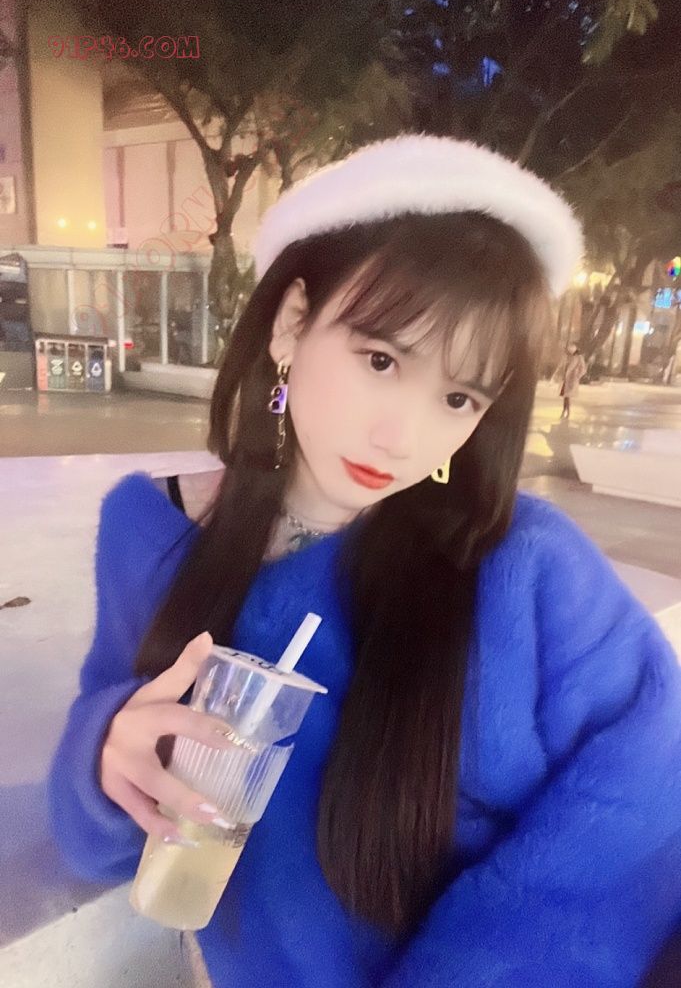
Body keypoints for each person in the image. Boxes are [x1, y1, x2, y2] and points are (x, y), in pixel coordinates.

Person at [48, 136, 681, 988]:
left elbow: (645, 803)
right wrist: (106, 756)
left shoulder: (525, 566)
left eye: (457, 397)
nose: (402, 437)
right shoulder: (150, 531)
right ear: (291, 323)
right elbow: (103, 816)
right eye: (381, 360)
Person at [559, 341, 587, 419]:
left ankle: (567, 412)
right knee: (565, 396)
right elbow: (563, 367)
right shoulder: (567, 357)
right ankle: (564, 411)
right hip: (566, 379)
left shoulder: (579, 357)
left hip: (572, 379)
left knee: (567, 396)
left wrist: (577, 375)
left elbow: (583, 369)